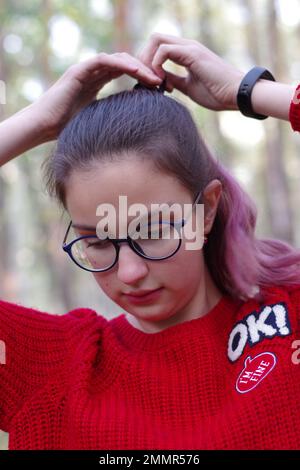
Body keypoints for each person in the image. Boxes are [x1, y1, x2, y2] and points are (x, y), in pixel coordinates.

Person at [1, 33, 300, 450]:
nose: (129, 272)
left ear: (207, 209)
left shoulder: (290, 319)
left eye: (153, 231)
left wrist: (250, 91)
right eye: (99, 242)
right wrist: (37, 122)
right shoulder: (52, 368)